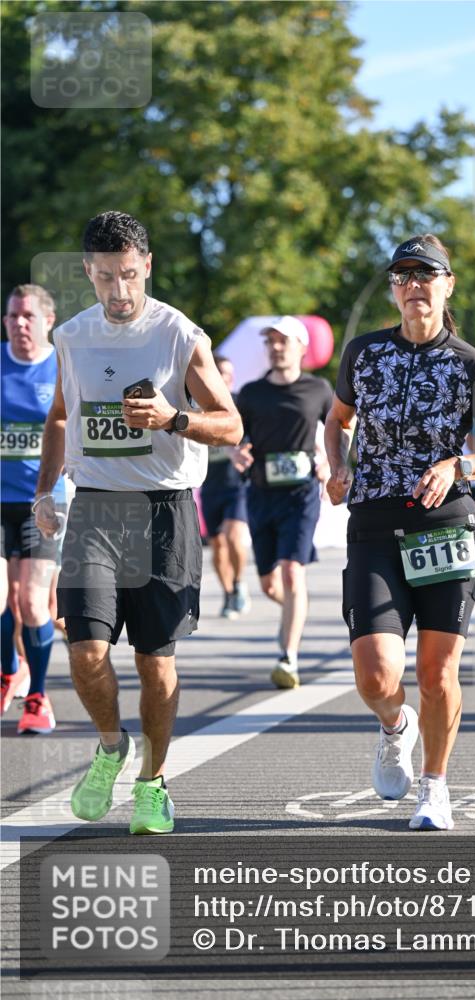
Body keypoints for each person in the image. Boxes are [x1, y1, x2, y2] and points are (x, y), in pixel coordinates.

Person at [34, 211, 242, 834]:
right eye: (104, 278)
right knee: (86, 649)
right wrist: (48, 488)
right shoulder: (71, 336)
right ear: (87, 274)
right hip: (96, 507)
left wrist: (174, 419)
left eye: (128, 275)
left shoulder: (179, 334)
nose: (119, 292)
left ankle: (152, 783)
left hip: (164, 510)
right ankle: (108, 745)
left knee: (155, 661)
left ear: (146, 266)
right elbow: (62, 416)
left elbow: (230, 425)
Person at [325, 235, 475, 831]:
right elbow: (338, 421)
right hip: (375, 527)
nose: (413, 285)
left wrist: (457, 464)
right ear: (393, 288)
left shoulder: (470, 365)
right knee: (376, 675)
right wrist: (337, 465)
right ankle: (393, 727)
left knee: (437, 674)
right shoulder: (363, 353)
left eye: (425, 274)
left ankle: (434, 787)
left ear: (447, 284)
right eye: (402, 275)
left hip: (445, 528)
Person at [233, 316, 332, 690]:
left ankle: (287, 657)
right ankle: (295, 611)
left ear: (302, 348)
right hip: (261, 494)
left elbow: (342, 424)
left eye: (284, 341)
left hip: (301, 493)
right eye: (271, 341)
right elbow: (234, 433)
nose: (276, 347)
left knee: (292, 572)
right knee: (270, 585)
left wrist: (331, 460)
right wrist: (235, 450)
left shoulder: (318, 389)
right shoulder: (252, 392)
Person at [1, 283, 66, 731]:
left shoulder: (64, 368)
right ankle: (9, 670)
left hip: (44, 502)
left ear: (48, 320)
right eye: (11, 316)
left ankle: (38, 698)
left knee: (31, 603)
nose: (19, 324)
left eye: (27, 316)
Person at [199, 356, 250, 618]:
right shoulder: (198, 404)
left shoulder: (241, 401)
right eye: (220, 372)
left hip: (237, 482)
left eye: (229, 372)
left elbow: (253, 433)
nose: (225, 377)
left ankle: (239, 583)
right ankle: (228, 592)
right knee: (217, 544)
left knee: (233, 536)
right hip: (210, 483)